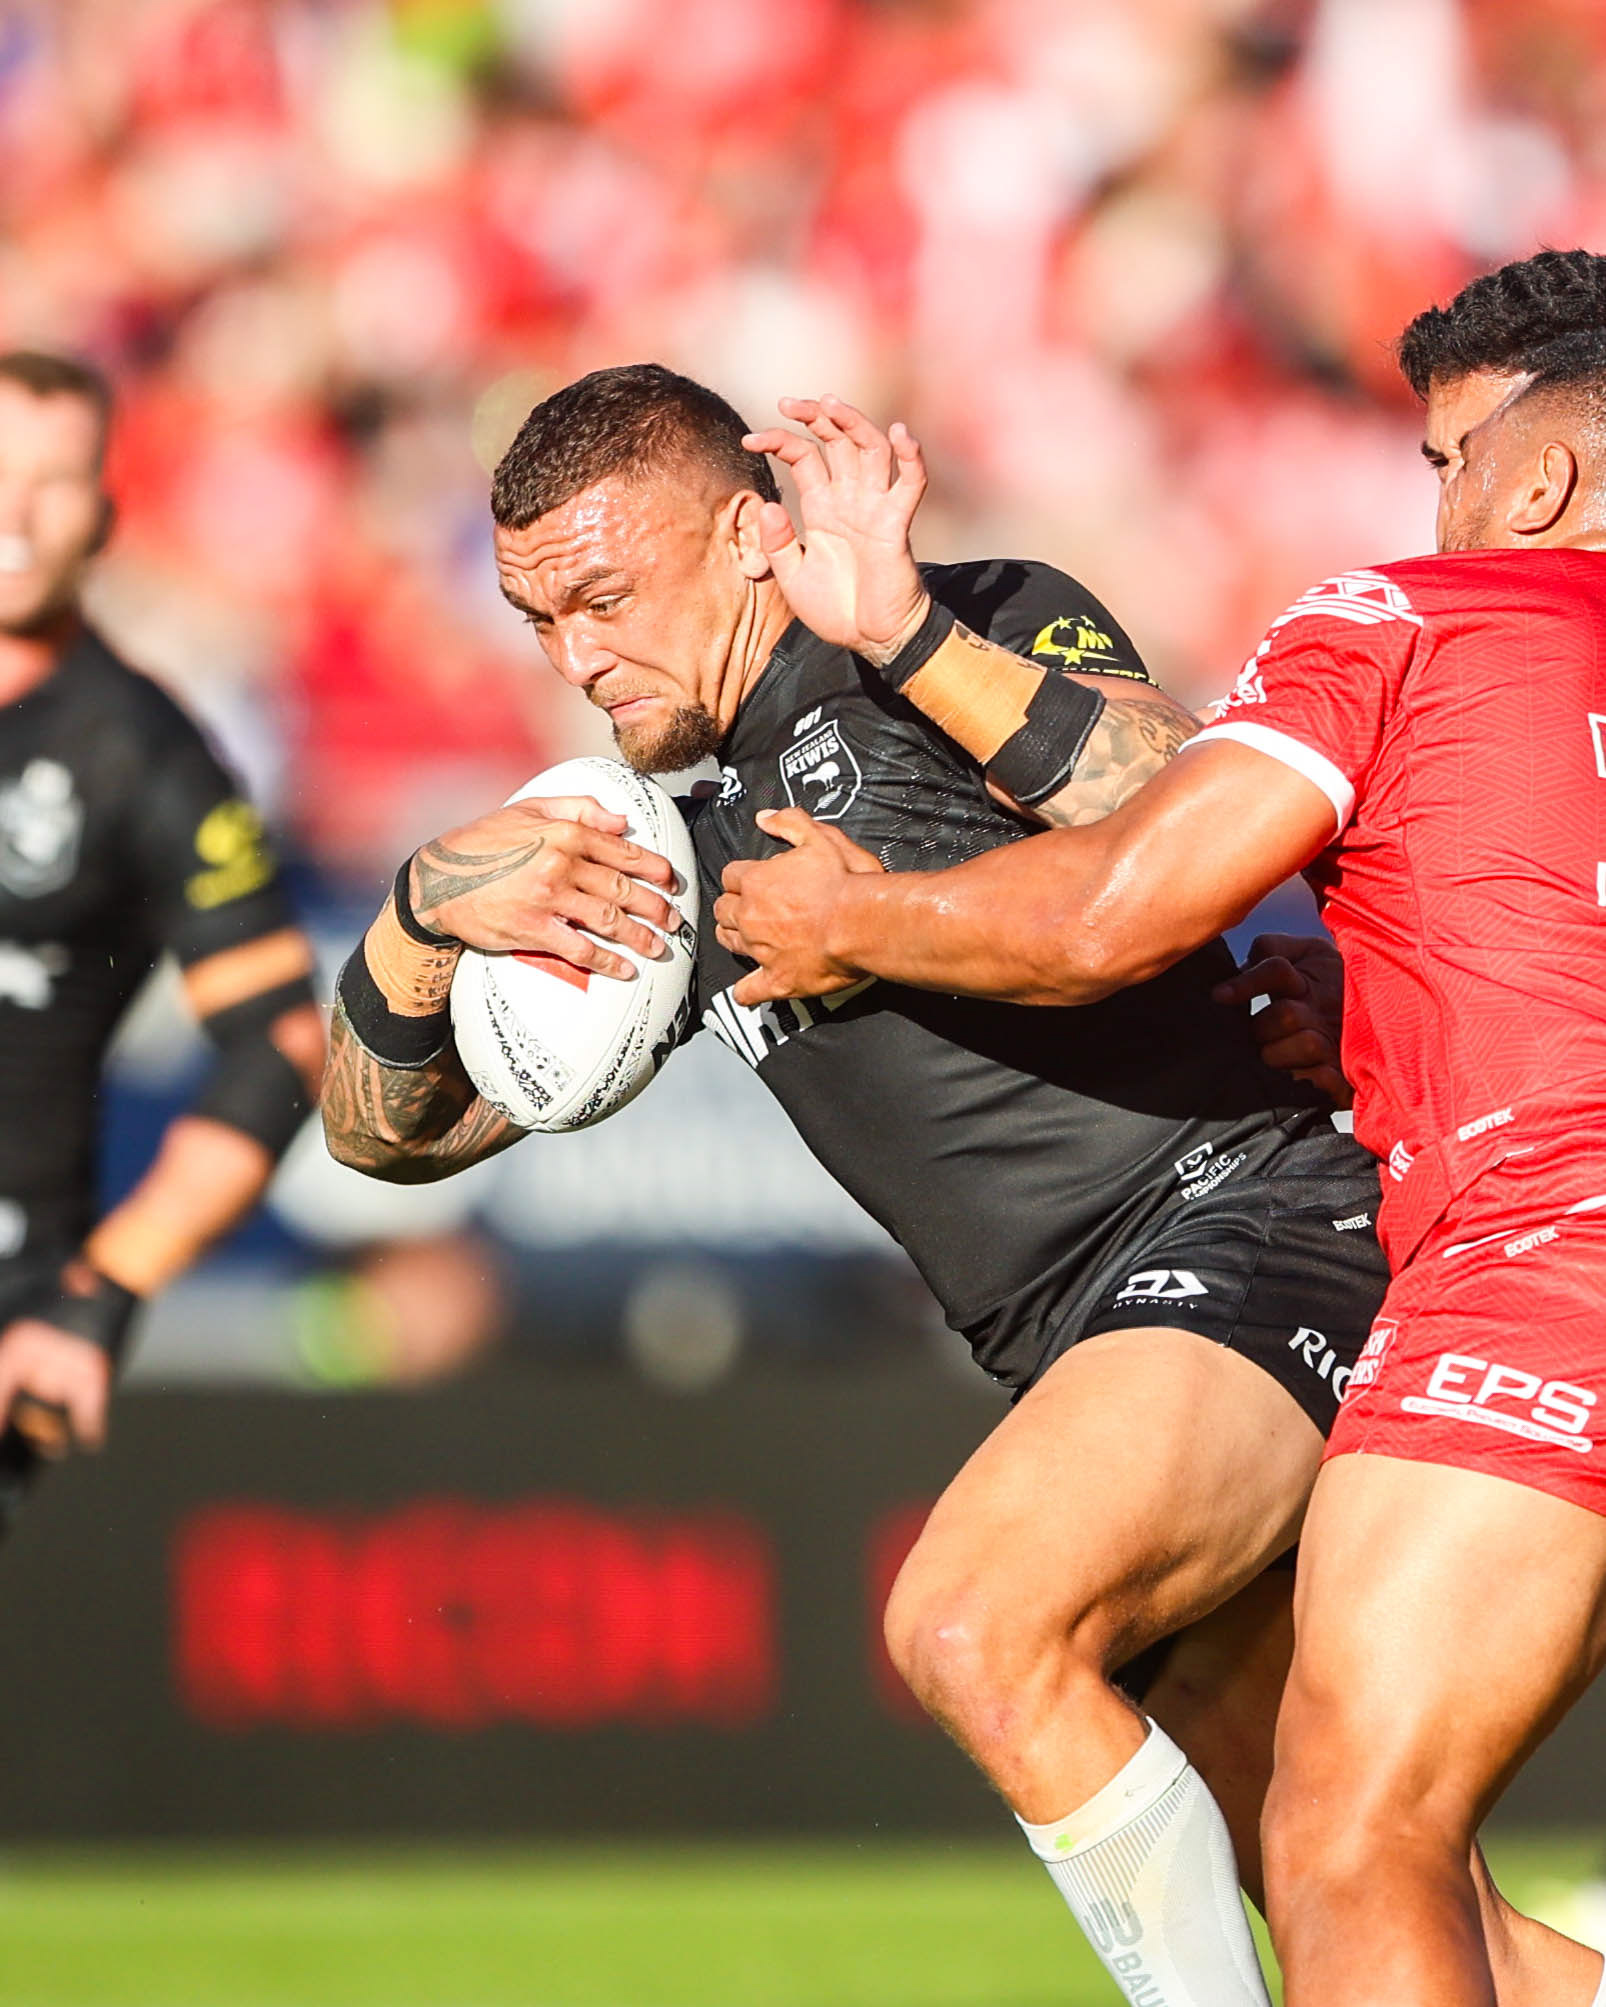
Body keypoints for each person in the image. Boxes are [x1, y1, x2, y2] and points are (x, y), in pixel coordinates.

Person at [320, 363, 1579, 2007]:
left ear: (749, 533)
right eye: (536, 617)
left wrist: (908, 630)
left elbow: (1175, 808)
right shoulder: (678, 861)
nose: (573, 656)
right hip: (1095, 1347)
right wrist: (420, 915)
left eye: (606, 598)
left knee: (976, 1619)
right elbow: (391, 1136)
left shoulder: (968, 623)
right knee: (1376, 1897)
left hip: (1259, 1222)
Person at [711, 248, 1606, 2007]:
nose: (1431, 502)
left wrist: (852, 918)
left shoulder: (1412, 617)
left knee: (1348, 1837)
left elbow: (1114, 907)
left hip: (1544, 1256)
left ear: (1541, 476)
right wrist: (1381, 1013)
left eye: (1448, 462)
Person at [0, 351, 324, 1529]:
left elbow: (280, 1045)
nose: (16, 512)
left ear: (104, 515)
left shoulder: (143, 751)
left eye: (54, 480)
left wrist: (106, 1287)